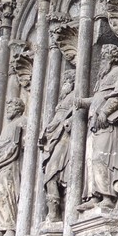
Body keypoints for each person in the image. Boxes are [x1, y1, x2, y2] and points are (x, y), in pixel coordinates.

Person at [80, 45, 118, 208]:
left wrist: (105, 112)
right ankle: (95, 196)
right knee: (91, 159)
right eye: (102, 57)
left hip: (107, 123)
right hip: (94, 124)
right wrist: (82, 102)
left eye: (105, 57)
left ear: (113, 58)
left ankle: (108, 196)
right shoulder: (102, 79)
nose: (102, 60)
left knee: (104, 157)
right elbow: (98, 98)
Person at [40, 70, 75, 222]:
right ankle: (54, 212)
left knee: (52, 172)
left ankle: (55, 213)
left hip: (64, 139)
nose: (64, 85)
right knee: (49, 173)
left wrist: (69, 121)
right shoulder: (63, 101)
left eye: (67, 81)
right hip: (54, 138)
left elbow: (77, 113)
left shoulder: (73, 96)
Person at [0, 97, 25, 236]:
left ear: (18, 109)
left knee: (8, 193)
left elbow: (22, 142)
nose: (7, 111)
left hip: (10, 164)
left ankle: (10, 227)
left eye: (10, 108)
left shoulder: (23, 121)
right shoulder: (7, 126)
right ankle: (2, 227)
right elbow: (2, 144)